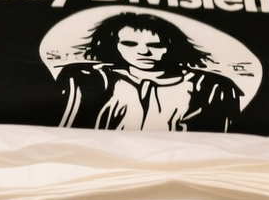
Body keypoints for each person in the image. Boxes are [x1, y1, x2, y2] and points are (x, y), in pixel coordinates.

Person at [55, 11, 242, 131]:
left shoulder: (212, 86)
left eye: (156, 45)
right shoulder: (87, 77)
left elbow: (221, 138)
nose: (143, 51)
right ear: (114, 45)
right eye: (129, 44)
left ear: (172, 47)